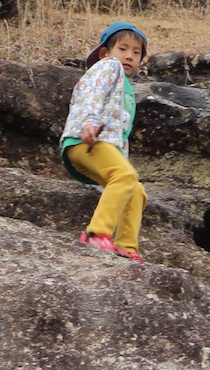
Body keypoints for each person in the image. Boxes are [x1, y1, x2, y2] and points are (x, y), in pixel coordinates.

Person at [60, 21, 149, 262]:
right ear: (105, 53)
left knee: (136, 189)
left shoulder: (124, 87)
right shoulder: (107, 67)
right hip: (85, 139)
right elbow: (92, 94)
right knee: (126, 177)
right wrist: (89, 122)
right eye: (123, 48)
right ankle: (96, 233)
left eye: (136, 52)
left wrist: (122, 161)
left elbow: (119, 133)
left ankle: (127, 246)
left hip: (101, 145)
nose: (129, 56)